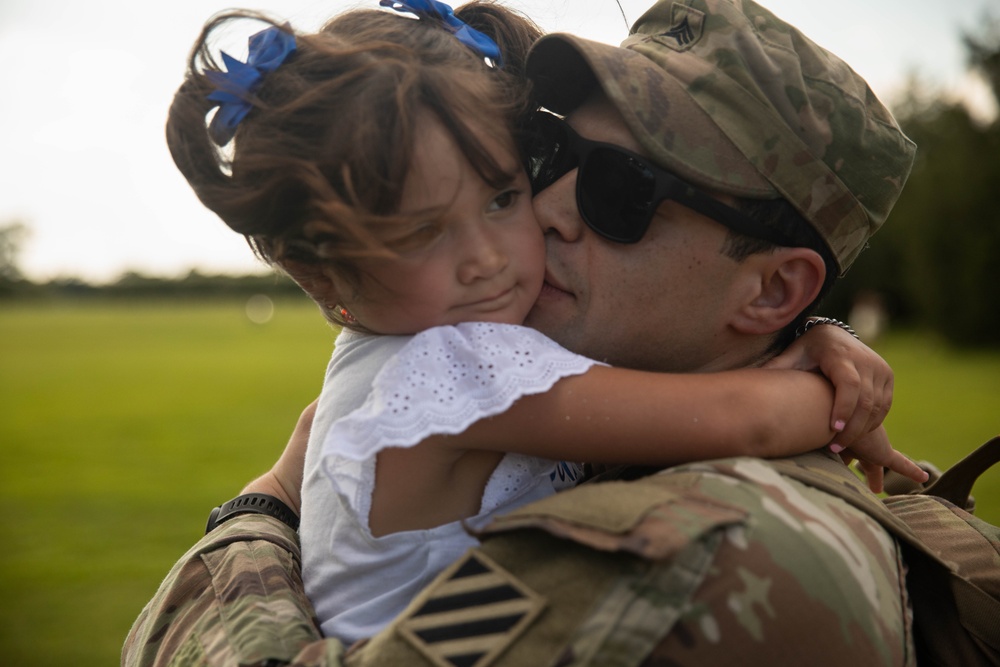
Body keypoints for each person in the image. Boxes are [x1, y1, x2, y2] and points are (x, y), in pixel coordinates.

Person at [123, 0, 923, 665]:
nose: (547, 209)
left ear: (775, 289)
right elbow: (739, 410)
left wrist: (257, 514)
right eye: (550, 152)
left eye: (621, 190)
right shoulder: (489, 374)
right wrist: (817, 363)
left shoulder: (704, 554)